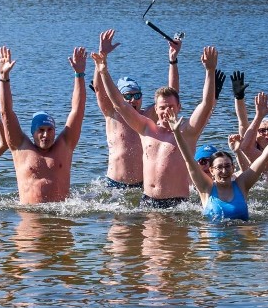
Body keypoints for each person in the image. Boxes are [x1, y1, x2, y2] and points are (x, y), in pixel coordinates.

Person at [91, 45, 218, 208]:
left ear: (179, 108)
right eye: (163, 107)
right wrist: (103, 71)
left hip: (177, 204)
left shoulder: (188, 132)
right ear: (155, 109)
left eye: (171, 107)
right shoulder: (146, 129)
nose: (167, 111)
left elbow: (206, 105)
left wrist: (210, 71)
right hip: (148, 202)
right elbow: (120, 104)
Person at [167, 103, 268, 221]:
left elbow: (265, 155)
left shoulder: (242, 185)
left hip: (241, 244)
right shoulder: (206, 188)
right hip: (212, 246)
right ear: (211, 170)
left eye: (228, 166)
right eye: (219, 167)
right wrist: (177, 133)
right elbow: (189, 159)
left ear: (233, 168)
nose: (224, 171)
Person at [0, 45, 87, 204]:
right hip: (30, 222)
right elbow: (6, 112)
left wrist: (79, 74)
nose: (46, 135)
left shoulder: (65, 145)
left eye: (50, 130)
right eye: (41, 130)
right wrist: (4, 77)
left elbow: (77, 110)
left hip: (60, 217)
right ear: (33, 132)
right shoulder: (20, 146)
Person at [91, 29, 180, 188]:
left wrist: (172, 60)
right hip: (115, 186)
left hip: (142, 185)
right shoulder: (112, 114)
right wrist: (101, 59)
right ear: (118, 97)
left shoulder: (148, 117)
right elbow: (99, 89)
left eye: (137, 96)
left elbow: (172, 94)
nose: (133, 100)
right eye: (128, 96)